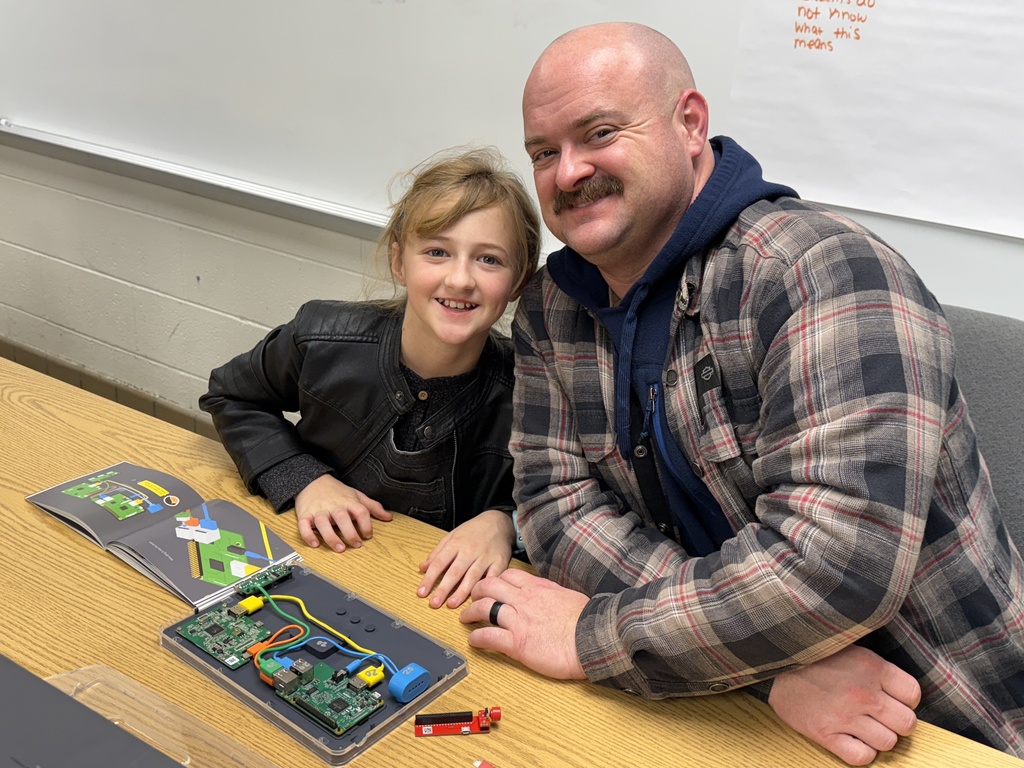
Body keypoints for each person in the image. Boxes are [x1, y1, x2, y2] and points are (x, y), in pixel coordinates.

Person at [460, 21, 1024, 765]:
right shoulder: (549, 307)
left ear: (690, 124)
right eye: (542, 152)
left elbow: (835, 569)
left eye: (599, 133)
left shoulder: (826, 272)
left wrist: (597, 635)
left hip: (945, 723)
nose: (567, 172)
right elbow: (556, 511)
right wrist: (769, 672)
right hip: (720, 708)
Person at [201, 147, 542, 609]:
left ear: (519, 281)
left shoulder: (533, 393)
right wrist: (304, 479)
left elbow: (559, 498)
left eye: (489, 260)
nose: (461, 279)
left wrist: (504, 524)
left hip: (432, 601)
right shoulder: (320, 336)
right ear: (400, 262)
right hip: (309, 563)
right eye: (437, 252)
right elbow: (230, 395)